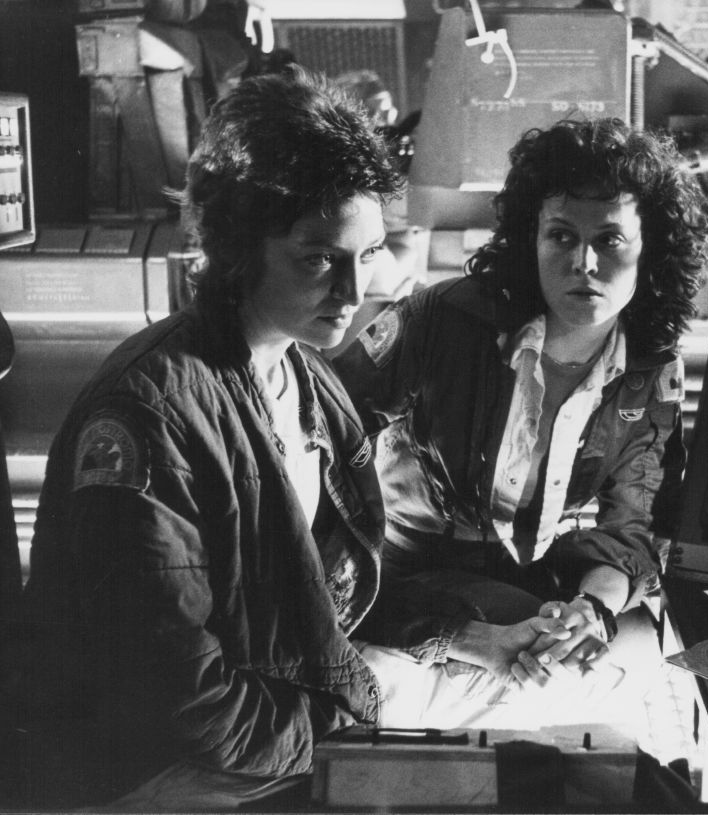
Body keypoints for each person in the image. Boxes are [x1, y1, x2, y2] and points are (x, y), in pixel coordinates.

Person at [0, 66, 571, 811]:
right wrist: (348, 730)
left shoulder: (308, 379)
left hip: (271, 716)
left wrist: (467, 639)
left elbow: (323, 594)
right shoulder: (150, 415)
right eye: (319, 258)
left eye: (368, 254)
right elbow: (179, 700)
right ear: (241, 247)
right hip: (154, 767)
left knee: (547, 710)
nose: (354, 292)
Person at [335, 117, 708, 720]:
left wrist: (592, 613)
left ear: (651, 252)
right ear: (530, 241)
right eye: (561, 236)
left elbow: (631, 525)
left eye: (610, 239)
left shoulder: (649, 368)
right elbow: (322, 433)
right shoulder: (441, 321)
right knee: (518, 673)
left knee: (644, 648)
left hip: (532, 591)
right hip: (397, 582)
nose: (584, 262)